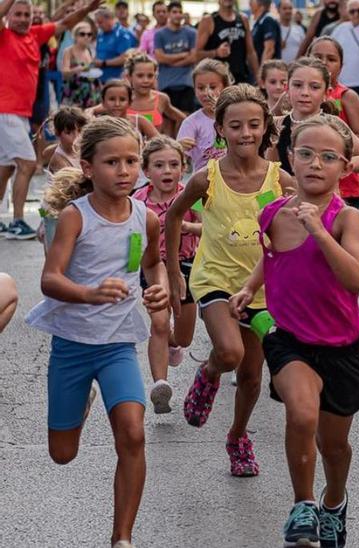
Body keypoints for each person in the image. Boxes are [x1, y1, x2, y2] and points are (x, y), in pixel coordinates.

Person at [25, 116, 169, 548]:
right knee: (62, 454)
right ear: (88, 168)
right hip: (72, 345)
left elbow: (151, 265)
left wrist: (158, 286)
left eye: (131, 161)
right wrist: (88, 293)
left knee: (133, 431)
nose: (124, 171)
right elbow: (50, 280)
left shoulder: (146, 218)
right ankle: (82, 402)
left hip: (117, 344)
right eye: (112, 162)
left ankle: (121, 538)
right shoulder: (74, 217)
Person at [230, 114, 359, 548]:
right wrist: (250, 286)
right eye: (305, 153)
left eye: (328, 157)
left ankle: (334, 500)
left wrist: (319, 231)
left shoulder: (346, 220)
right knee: (302, 414)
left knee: (334, 446)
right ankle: (303, 504)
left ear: (344, 168)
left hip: (342, 345)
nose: (314, 164)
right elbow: (273, 260)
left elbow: (355, 279)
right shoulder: (272, 212)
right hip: (290, 339)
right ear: (290, 157)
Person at [169, 85, 297, 478]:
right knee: (229, 353)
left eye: (254, 125)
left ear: (266, 128)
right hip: (215, 280)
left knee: (250, 376)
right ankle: (207, 372)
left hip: (262, 288)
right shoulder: (205, 178)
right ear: (220, 129)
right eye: (236, 125)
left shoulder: (281, 181)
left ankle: (238, 436)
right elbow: (173, 217)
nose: (246, 133)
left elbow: (308, 224)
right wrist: (174, 271)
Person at [0, 0, 96, 241]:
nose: (23, 18)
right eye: (18, 14)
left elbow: (66, 22)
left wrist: (88, 8)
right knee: (28, 164)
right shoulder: (4, 35)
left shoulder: (35, 34)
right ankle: (17, 221)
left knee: (8, 166)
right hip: (5, 111)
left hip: (20, 113)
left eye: (27, 14)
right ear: (9, 16)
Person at [134, 136, 201, 415]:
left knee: (183, 337)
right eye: (159, 165)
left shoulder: (191, 196)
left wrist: (184, 225)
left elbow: (209, 228)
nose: (167, 171)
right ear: (147, 171)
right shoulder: (138, 200)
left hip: (187, 265)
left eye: (174, 164)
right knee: (159, 323)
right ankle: (160, 385)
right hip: (152, 266)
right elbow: (132, 239)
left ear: (183, 168)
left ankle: (174, 344)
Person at [304, 38, 359, 207]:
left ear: (341, 66)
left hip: (344, 185)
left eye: (331, 59)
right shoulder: (297, 94)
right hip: (306, 181)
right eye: (318, 57)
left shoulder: (347, 96)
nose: (324, 62)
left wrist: (333, 157)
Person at [177, 59, 231, 173]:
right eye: (200, 88)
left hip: (234, 180)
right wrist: (178, 148)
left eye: (213, 87)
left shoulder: (236, 117)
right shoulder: (191, 122)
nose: (207, 93)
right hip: (204, 184)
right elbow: (177, 159)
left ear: (225, 87)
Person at [196, 0, 259, 86]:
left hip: (240, 79)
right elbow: (196, 54)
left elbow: (251, 52)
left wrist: (258, 77)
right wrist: (216, 52)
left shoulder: (243, 19)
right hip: (217, 81)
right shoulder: (209, 20)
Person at [153, 1, 199, 114]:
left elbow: (193, 58)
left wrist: (169, 61)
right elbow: (159, 58)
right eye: (174, 12)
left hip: (186, 83)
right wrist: (183, 55)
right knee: (168, 121)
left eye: (180, 12)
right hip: (166, 84)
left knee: (185, 118)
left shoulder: (191, 32)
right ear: (168, 14)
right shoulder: (159, 34)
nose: (178, 15)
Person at [125, 54, 185, 136]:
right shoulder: (122, 99)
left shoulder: (161, 99)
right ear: (129, 77)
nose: (145, 80)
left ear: (155, 77)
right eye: (140, 76)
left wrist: (176, 140)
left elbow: (183, 119)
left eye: (150, 76)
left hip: (155, 147)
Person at [88, 79, 161, 139]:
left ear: (130, 102)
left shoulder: (139, 121)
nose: (117, 104)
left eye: (122, 99)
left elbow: (159, 142)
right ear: (103, 102)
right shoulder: (97, 125)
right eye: (112, 99)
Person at [60, 21, 103, 109]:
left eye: (89, 34)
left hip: (91, 93)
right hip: (75, 93)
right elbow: (64, 73)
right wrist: (76, 69)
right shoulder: (69, 51)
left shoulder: (90, 50)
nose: (86, 37)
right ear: (75, 36)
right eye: (82, 34)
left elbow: (90, 72)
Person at [92, 6, 136, 81]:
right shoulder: (100, 34)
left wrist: (104, 63)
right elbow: (98, 53)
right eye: (97, 23)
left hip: (117, 79)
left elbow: (125, 58)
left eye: (100, 22)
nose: (98, 25)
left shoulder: (122, 34)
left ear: (109, 19)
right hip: (100, 78)